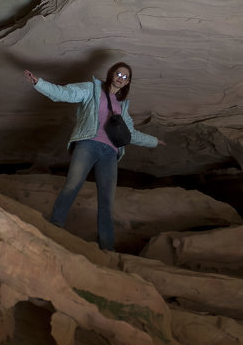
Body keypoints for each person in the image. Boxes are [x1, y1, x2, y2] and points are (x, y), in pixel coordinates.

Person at [23, 62, 163, 251]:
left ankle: (107, 247)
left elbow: (131, 134)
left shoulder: (122, 106)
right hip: (88, 144)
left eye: (125, 77)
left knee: (107, 198)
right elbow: (66, 93)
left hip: (110, 153)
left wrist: (154, 141)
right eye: (118, 74)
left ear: (128, 81)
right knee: (73, 184)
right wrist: (39, 83)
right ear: (111, 74)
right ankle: (55, 226)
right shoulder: (92, 88)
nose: (120, 78)